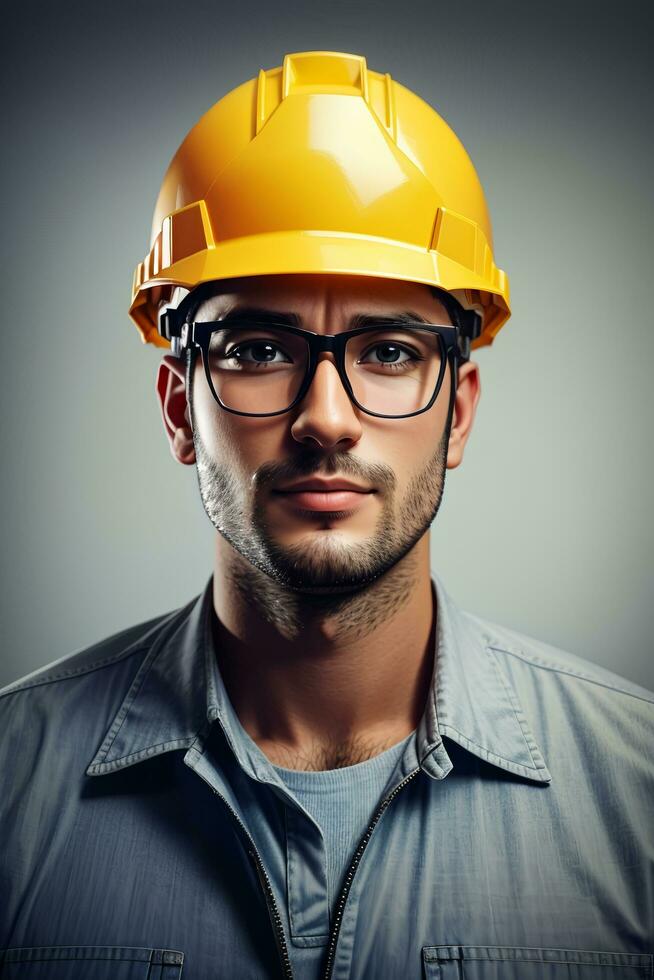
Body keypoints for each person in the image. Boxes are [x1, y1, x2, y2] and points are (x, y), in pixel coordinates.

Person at [1, 50, 652, 980]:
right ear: (180, 408)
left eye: (388, 352)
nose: (325, 418)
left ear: (457, 411)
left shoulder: (636, 797)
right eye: (258, 346)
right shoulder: (11, 791)